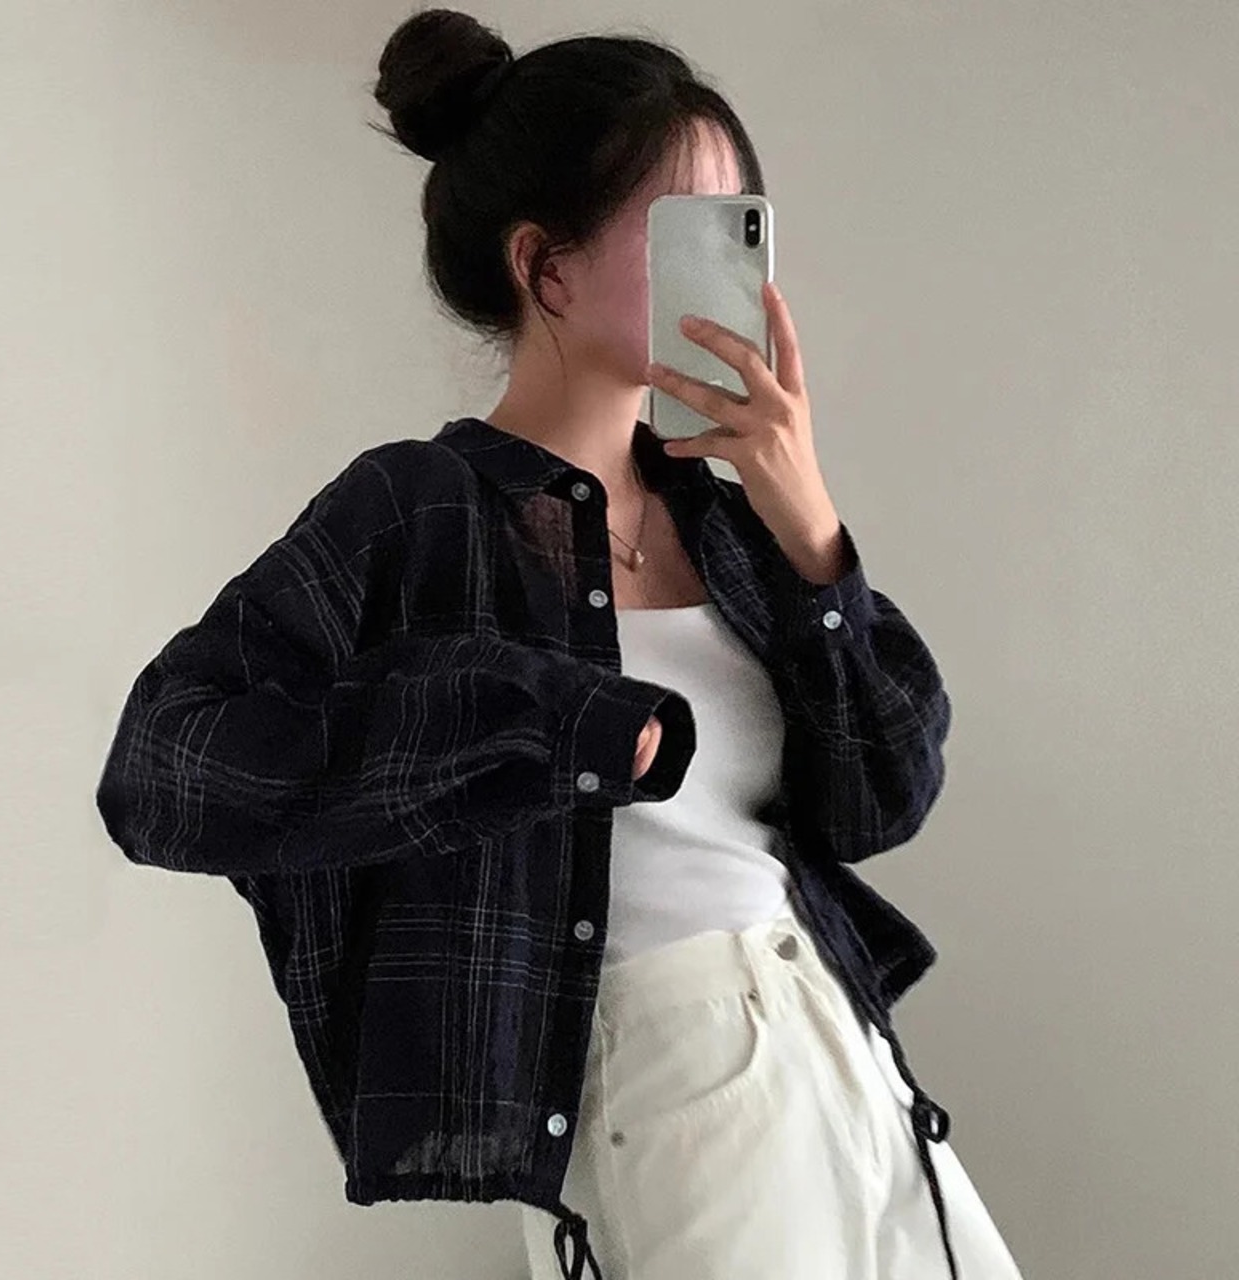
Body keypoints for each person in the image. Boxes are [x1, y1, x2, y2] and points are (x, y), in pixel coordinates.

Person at [95, 9, 1027, 1280]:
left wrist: (808, 523)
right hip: (663, 1078)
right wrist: (541, 719)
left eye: (741, 225)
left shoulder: (729, 519)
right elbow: (163, 769)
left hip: (839, 1043)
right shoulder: (416, 509)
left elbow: (883, 797)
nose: (728, 270)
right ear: (543, 267)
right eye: (684, 229)